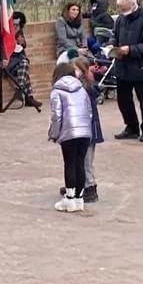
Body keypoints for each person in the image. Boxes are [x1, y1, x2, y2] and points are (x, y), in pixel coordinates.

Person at [108, 0, 143, 143]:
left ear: (132, 5)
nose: (122, 12)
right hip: (122, 66)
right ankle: (131, 127)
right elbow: (114, 35)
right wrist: (111, 45)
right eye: (120, 9)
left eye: (124, 9)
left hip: (140, 67)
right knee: (123, 100)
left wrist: (130, 50)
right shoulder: (120, 19)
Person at [48, 62, 92, 213]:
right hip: (84, 131)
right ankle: (79, 199)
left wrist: (54, 134)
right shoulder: (82, 89)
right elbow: (89, 112)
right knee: (80, 163)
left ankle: (69, 198)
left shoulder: (57, 91)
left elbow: (56, 116)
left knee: (69, 164)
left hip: (68, 132)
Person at [68, 58, 104, 203]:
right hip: (83, 130)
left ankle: (90, 188)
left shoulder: (85, 88)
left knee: (86, 161)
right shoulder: (80, 86)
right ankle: (79, 184)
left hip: (88, 131)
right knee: (79, 159)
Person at [6, 11, 42, 111]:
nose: (15, 27)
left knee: (24, 67)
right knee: (25, 64)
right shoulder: (6, 34)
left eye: (17, 25)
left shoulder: (19, 33)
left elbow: (23, 47)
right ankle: (27, 96)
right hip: (8, 63)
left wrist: (20, 42)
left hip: (19, 63)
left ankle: (23, 93)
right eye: (14, 24)